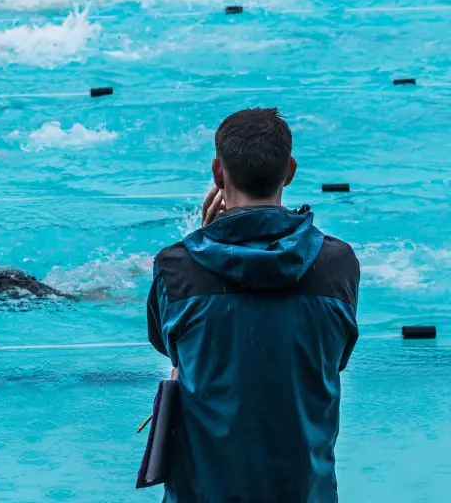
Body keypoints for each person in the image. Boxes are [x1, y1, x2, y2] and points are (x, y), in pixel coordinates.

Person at [146, 108, 359, 502]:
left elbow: (173, 350)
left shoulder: (176, 267)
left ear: (218, 173)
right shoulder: (337, 264)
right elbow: (333, 359)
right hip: (303, 490)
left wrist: (206, 238)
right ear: (289, 170)